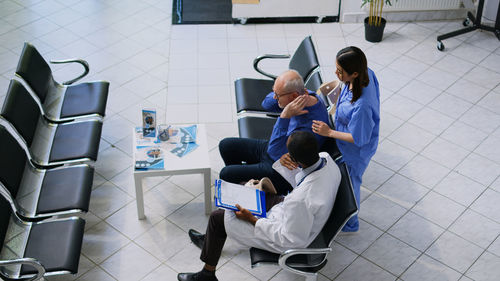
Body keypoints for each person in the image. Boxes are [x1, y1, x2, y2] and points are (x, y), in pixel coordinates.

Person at [177, 131, 341, 281]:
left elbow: (288, 239)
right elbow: (303, 182)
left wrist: (253, 220)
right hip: (291, 212)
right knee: (241, 190)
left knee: (217, 218)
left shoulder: (300, 200)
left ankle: (207, 275)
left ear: (297, 161)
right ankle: (211, 240)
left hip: (286, 236)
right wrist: (286, 165)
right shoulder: (327, 159)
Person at [218, 69, 329, 195]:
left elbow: (274, 151)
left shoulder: (309, 127)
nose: (275, 97)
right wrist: (279, 95)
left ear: (293, 96)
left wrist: (284, 116)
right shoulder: (303, 94)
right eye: (274, 92)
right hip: (278, 150)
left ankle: (243, 191)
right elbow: (266, 104)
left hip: (282, 169)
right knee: (226, 145)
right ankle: (243, 188)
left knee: (226, 173)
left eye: (277, 95)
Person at [312, 46, 380, 233]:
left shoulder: (362, 106)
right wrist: (335, 85)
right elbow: (348, 89)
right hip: (349, 137)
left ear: (355, 73)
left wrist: (329, 132)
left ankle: (350, 224)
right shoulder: (365, 74)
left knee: (351, 185)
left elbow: (359, 138)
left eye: (340, 72)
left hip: (355, 152)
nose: (336, 73)